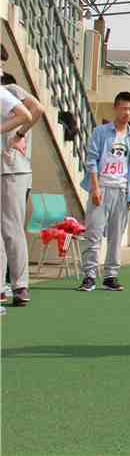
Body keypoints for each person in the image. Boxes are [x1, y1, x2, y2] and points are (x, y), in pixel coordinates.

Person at [78, 91, 130, 292]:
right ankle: (89, 275)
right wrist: (95, 187)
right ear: (116, 108)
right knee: (94, 233)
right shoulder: (101, 132)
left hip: (123, 190)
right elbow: (91, 160)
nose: (127, 112)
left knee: (116, 236)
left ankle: (110, 276)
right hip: (102, 188)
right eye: (124, 108)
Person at [0, 83, 35, 307]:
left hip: (12, 169)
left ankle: (20, 286)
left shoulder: (10, 89)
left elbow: (33, 110)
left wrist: (18, 134)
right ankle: (9, 288)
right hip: (10, 169)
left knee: (11, 229)